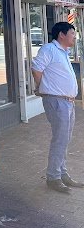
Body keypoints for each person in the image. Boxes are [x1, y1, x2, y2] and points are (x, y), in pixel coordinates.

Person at [31, 21, 83, 194]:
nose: (74, 37)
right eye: (72, 33)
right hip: (57, 101)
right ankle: (53, 177)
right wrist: (42, 87)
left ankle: (62, 173)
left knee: (64, 139)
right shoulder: (49, 49)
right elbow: (36, 68)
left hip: (67, 102)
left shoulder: (63, 52)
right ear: (61, 34)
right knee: (60, 139)